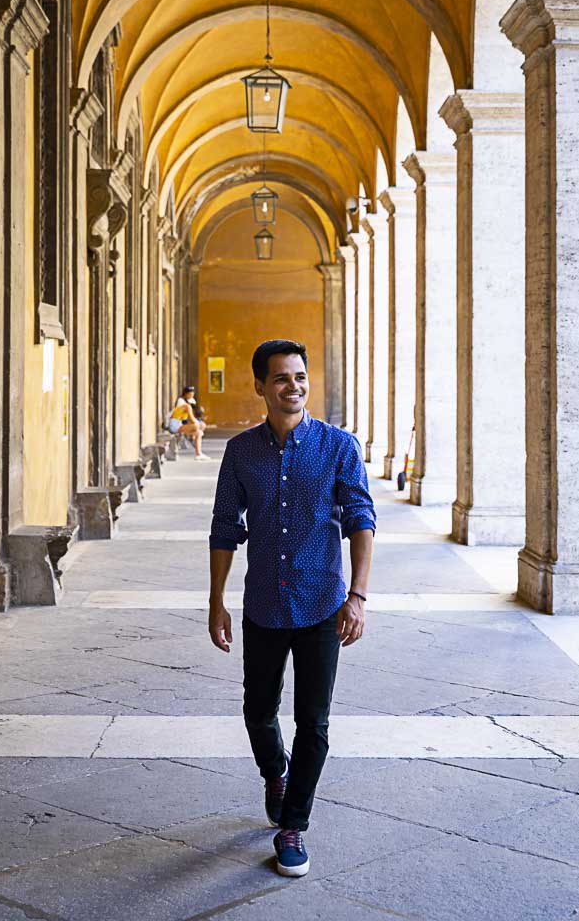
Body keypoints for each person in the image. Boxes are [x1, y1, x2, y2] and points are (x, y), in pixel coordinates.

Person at [208, 339, 375, 878]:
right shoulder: (240, 453)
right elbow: (225, 529)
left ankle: (293, 825)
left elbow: (361, 520)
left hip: (323, 602)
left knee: (314, 722)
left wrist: (359, 596)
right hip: (262, 604)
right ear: (260, 386)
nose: (293, 387)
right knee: (258, 711)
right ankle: (274, 770)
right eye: (281, 378)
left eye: (300, 377)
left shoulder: (338, 447)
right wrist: (216, 600)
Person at [168, 386, 210, 461]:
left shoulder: (189, 404)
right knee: (197, 426)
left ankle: (198, 454)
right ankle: (194, 442)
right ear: (186, 394)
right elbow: (191, 419)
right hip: (174, 425)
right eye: (190, 394)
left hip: (179, 424)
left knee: (199, 433)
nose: (191, 396)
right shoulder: (186, 406)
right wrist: (198, 424)